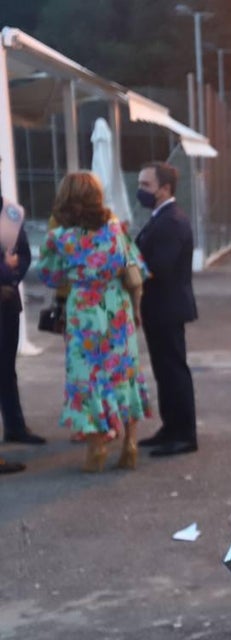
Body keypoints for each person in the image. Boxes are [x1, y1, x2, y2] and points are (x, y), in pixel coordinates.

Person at [38, 172, 152, 472]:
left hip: (84, 312)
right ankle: (130, 442)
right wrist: (136, 309)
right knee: (124, 373)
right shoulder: (116, 229)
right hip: (117, 308)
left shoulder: (60, 238)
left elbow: (49, 275)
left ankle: (97, 447)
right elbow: (137, 267)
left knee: (87, 378)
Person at [135, 161, 198, 457]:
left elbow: (159, 266)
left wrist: (130, 264)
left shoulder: (171, 221)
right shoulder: (161, 217)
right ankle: (170, 427)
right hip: (159, 307)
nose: (141, 190)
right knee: (165, 371)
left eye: (146, 185)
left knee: (173, 371)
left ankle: (184, 433)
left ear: (165, 189)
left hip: (167, 307)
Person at [0, 178, 46, 449]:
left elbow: (24, 255)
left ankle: (15, 427)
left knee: (7, 368)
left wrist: (12, 276)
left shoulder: (10, 212)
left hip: (7, 301)